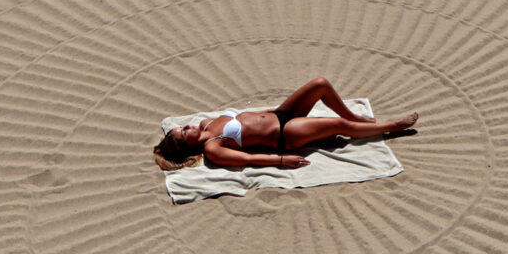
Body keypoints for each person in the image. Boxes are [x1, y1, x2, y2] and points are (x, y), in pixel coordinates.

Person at [153, 77, 419, 170]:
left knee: (320, 84)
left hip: (281, 115)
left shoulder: (207, 122)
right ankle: (393, 126)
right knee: (338, 125)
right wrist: (281, 161)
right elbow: (250, 160)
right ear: (187, 144)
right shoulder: (212, 148)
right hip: (285, 134)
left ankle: (355, 116)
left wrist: (282, 109)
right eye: (183, 131)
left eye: (182, 126)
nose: (187, 126)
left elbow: (251, 116)